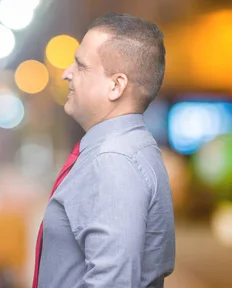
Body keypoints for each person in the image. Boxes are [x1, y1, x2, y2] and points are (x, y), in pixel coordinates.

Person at [32, 13, 175, 288]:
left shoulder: (114, 161)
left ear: (116, 85)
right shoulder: (131, 148)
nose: (66, 73)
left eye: (81, 65)